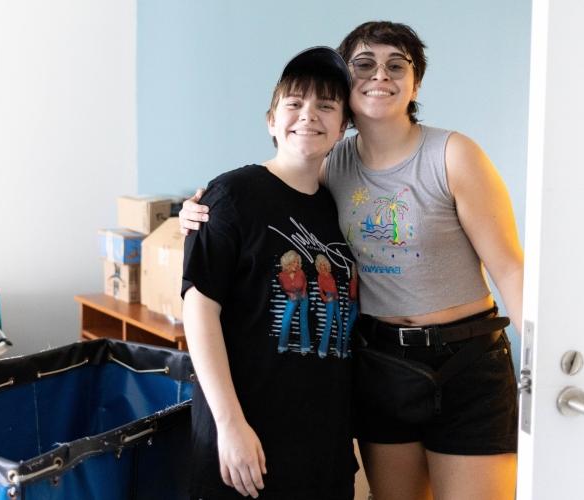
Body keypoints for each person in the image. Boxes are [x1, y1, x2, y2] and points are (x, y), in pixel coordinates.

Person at [180, 21, 522, 500]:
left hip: (465, 360)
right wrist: (201, 210)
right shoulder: (326, 167)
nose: (379, 76)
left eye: (396, 65)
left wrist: (545, 368)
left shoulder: (451, 154)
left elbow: (510, 269)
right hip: (381, 362)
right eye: (364, 65)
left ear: (415, 82)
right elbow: (267, 195)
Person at [181, 46, 359, 500]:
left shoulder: (337, 208)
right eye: (294, 103)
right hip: (246, 439)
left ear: (342, 128)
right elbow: (199, 309)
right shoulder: (231, 195)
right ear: (271, 121)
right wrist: (230, 424)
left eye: (326, 105)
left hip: (321, 448)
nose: (308, 115)